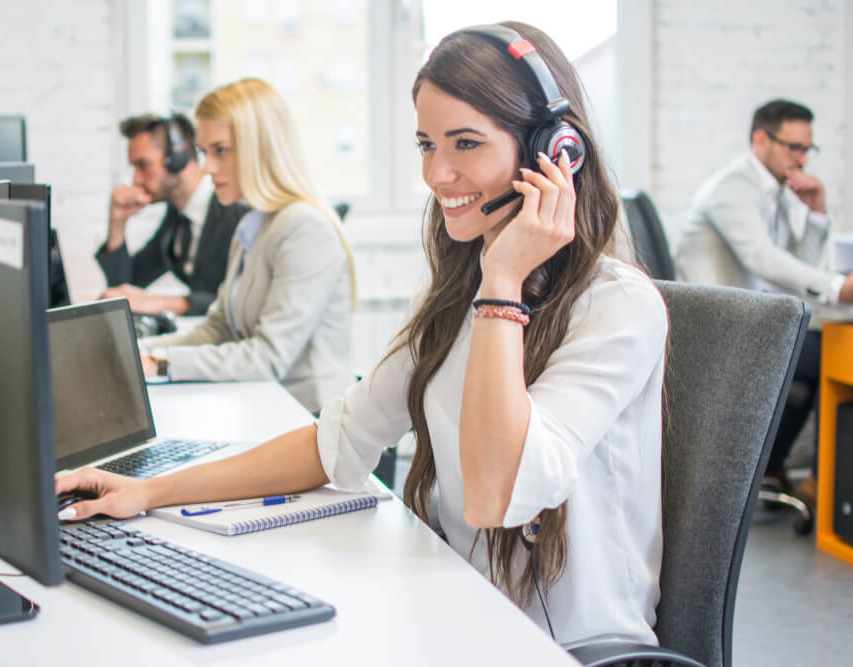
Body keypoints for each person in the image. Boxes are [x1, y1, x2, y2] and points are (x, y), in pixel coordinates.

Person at [59, 23, 666, 646]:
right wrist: (150, 492)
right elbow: (341, 440)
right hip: (460, 614)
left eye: (466, 143)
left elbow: (495, 498)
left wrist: (505, 283)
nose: (437, 173)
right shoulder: (460, 296)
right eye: (427, 144)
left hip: (563, 647)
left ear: (555, 151)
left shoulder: (616, 307)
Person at [137, 79, 357, 416]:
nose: (208, 168)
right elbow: (219, 327)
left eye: (220, 151)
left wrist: (160, 362)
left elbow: (267, 357)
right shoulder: (253, 223)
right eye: (204, 152)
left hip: (312, 423)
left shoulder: (304, 228)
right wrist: (139, 351)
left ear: (261, 149)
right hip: (266, 409)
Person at [675, 99, 848, 507]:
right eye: (794, 147)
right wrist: (838, 287)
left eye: (808, 149)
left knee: (817, 358)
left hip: (752, 323)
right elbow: (763, 260)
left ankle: (771, 467)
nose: (802, 159)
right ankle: (821, 482)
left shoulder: (779, 189)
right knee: (827, 353)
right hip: (720, 331)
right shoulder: (734, 186)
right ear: (760, 140)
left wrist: (817, 214)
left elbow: (797, 271)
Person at [96, 113, 249, 315]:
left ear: (178, 158)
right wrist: (117, 222)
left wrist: (163, 303)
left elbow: (246, 301)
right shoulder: (177, 219)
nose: (136, 179)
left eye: (143, 165)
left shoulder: (238, 211)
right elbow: (125, 287)